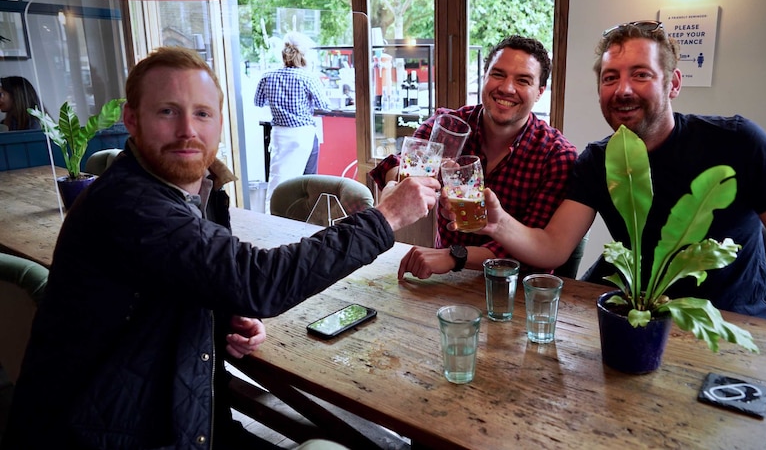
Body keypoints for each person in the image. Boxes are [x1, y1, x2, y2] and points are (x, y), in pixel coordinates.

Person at [2, 46, 439, 449]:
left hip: (177, 414)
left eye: (203, 113)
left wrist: (221, 311)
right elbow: (259, 281)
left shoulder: (199, 191)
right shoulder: (130, 202)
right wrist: (386, 218)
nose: (187, 130)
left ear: (220, 120)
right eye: (167, 111)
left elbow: (178, 278)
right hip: (110, 433)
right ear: (131, 119)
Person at [474, 21, 766, 327]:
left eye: (641, 75)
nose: (623, 90)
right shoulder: (597, 161)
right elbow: (554, 245)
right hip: (642, 325)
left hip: (736, 330)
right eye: (610, 77)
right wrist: (499, 222)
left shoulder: (738, 142)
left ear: (673, 84)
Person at [369, 35, 578, 279]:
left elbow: (536, 252)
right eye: (498, 74)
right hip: (444, 280)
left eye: (523, 80)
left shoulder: (556, 155)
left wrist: (454, 255)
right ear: (484, 77)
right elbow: (396, 165)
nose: (507, 88)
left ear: (540, 92)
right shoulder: (449, 126)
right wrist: (405, 183)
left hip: (516, 290)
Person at [254, 31, 330, 205]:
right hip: (303, 134)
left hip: (279, 134)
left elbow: (258, 102)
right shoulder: (308, 77)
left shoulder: (268, 76)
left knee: (278, 179)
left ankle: (273, 216)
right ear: (304, 56)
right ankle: (305, 217)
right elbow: (324, 105)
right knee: (308, 181)